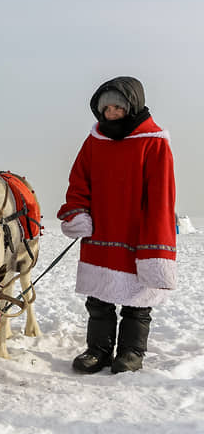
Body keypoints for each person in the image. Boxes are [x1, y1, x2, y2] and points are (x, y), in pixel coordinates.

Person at [58, 76, 176, 374]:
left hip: (138, 235)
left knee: (137, 300)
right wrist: (77, 213)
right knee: (99, 299)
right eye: (106, 108)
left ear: (131, 106)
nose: (111, 113)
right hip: (101, 233)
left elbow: (161, 196)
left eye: (117, 107)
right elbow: (79, 180)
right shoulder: (94, 140)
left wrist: (155, 243)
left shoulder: (154, 142)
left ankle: (131, 352)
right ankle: (98, 349)